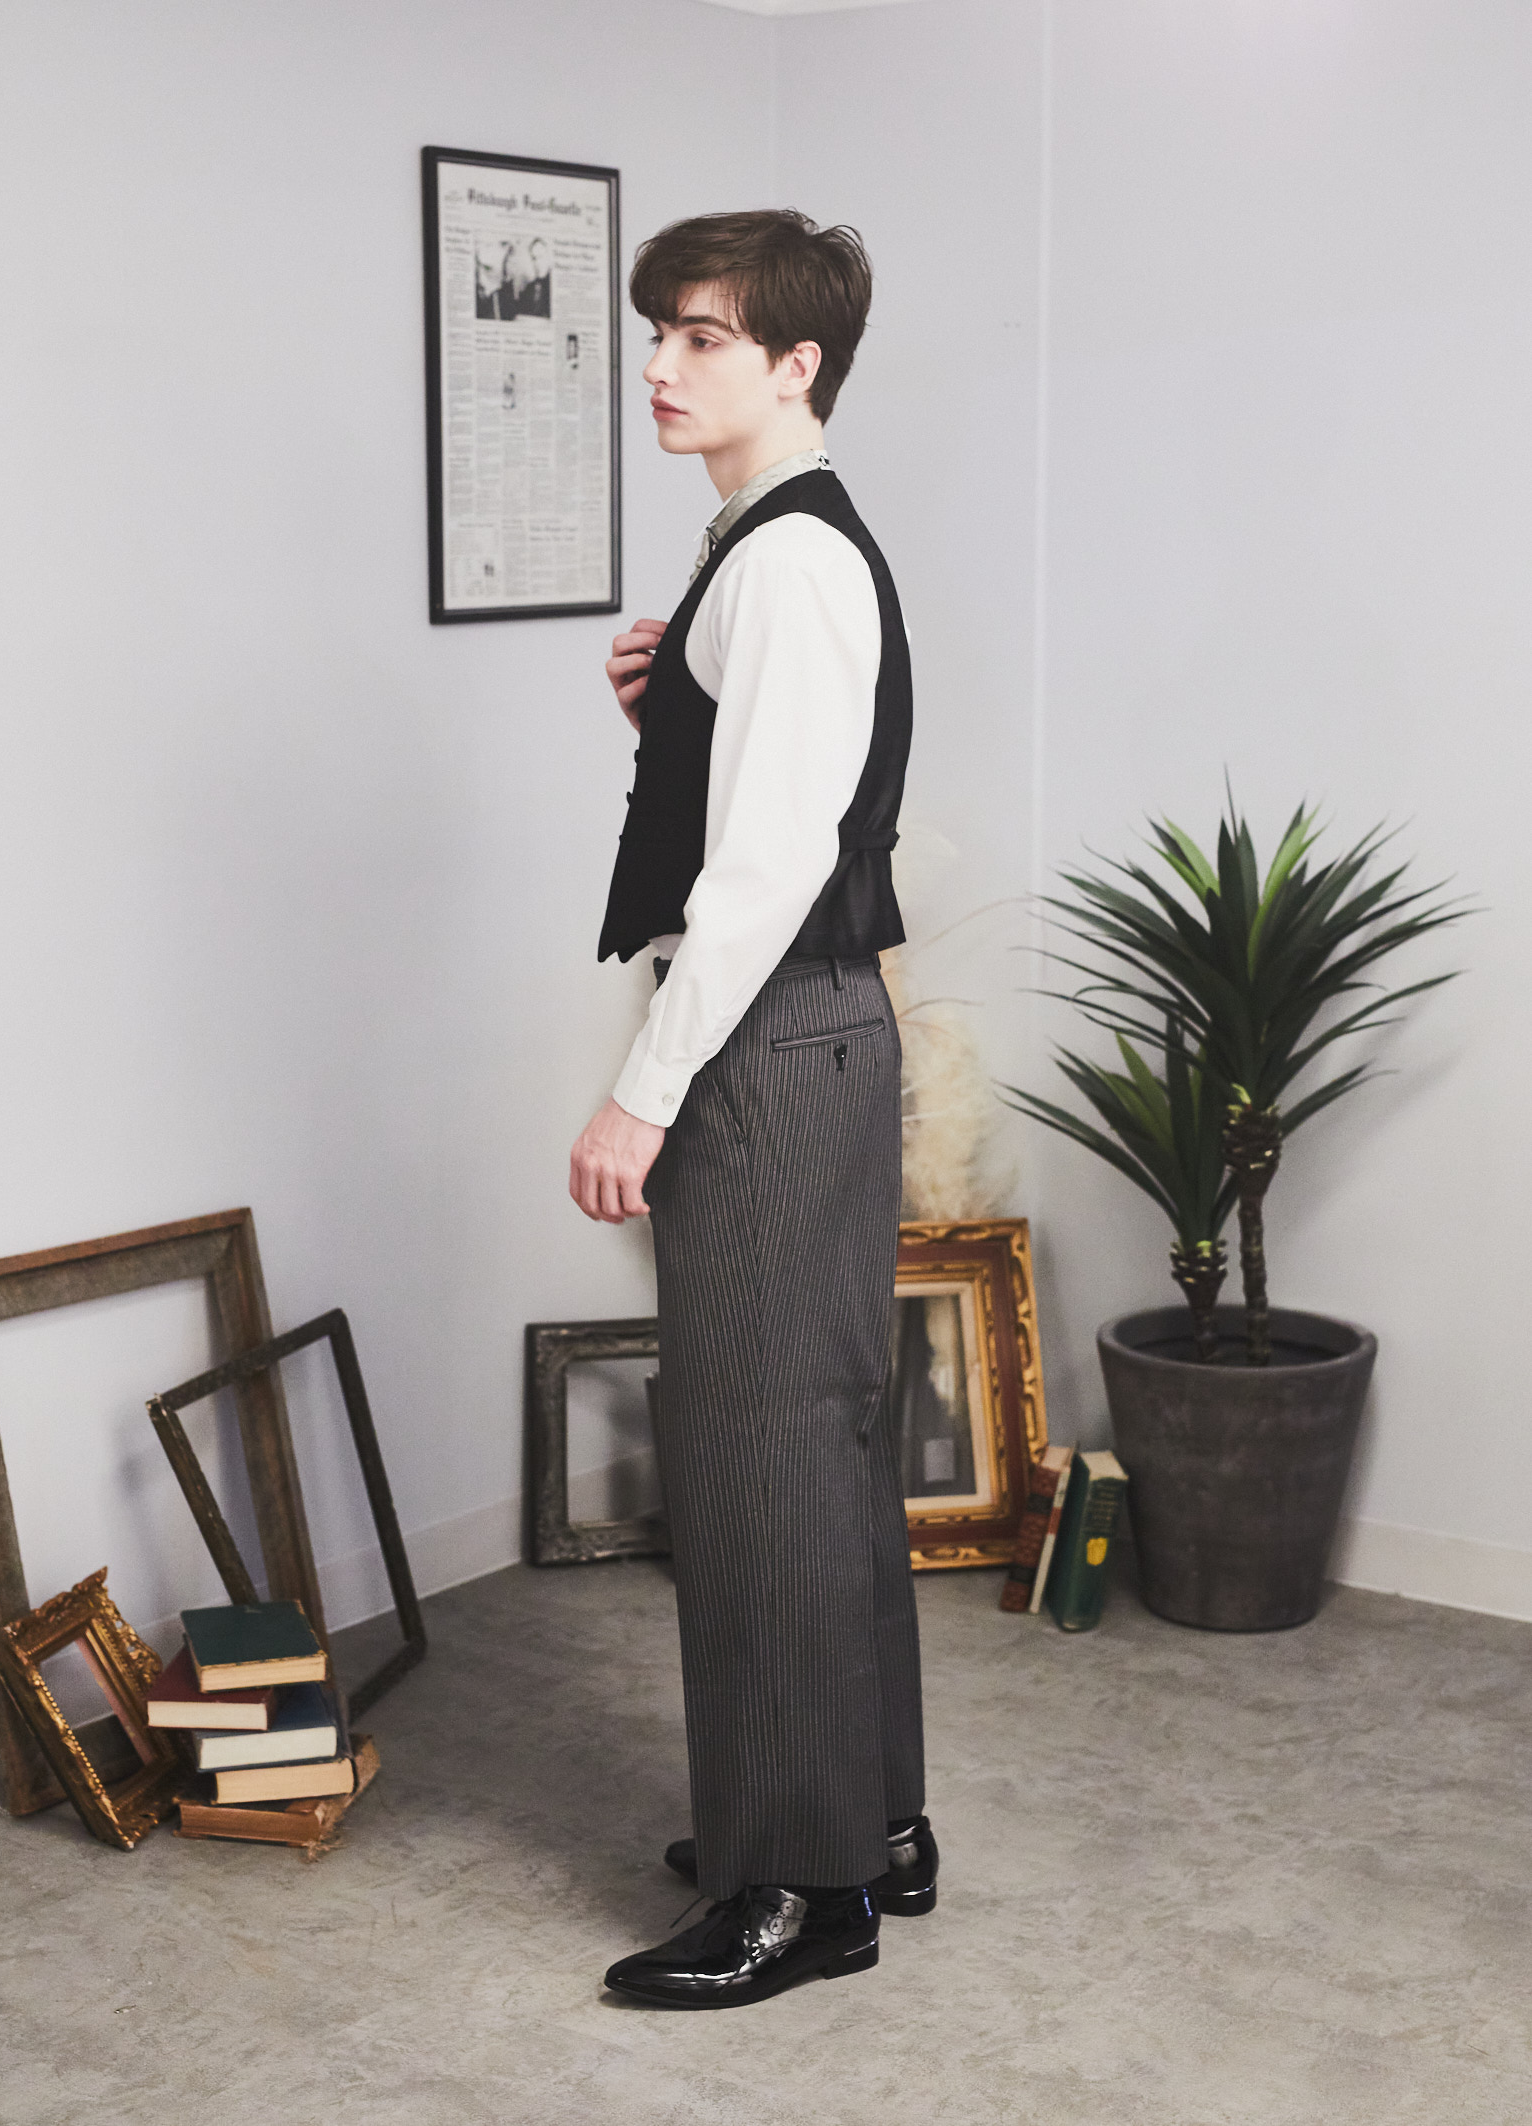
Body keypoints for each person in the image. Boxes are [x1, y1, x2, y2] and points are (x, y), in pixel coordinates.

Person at [570, 208, 936, 2011]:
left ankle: (800, 1886)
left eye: (701, 336)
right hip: (812, 1037)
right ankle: (868, 1821)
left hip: (768, 1045)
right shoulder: (766, 549)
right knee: (820, 1446)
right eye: (657, 332)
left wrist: (640, 1095)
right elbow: (780, 793)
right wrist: (675, 713)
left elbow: (772, 869)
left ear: (795, 365)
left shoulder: (787, 561)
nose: (659, 365)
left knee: (759, 1459)